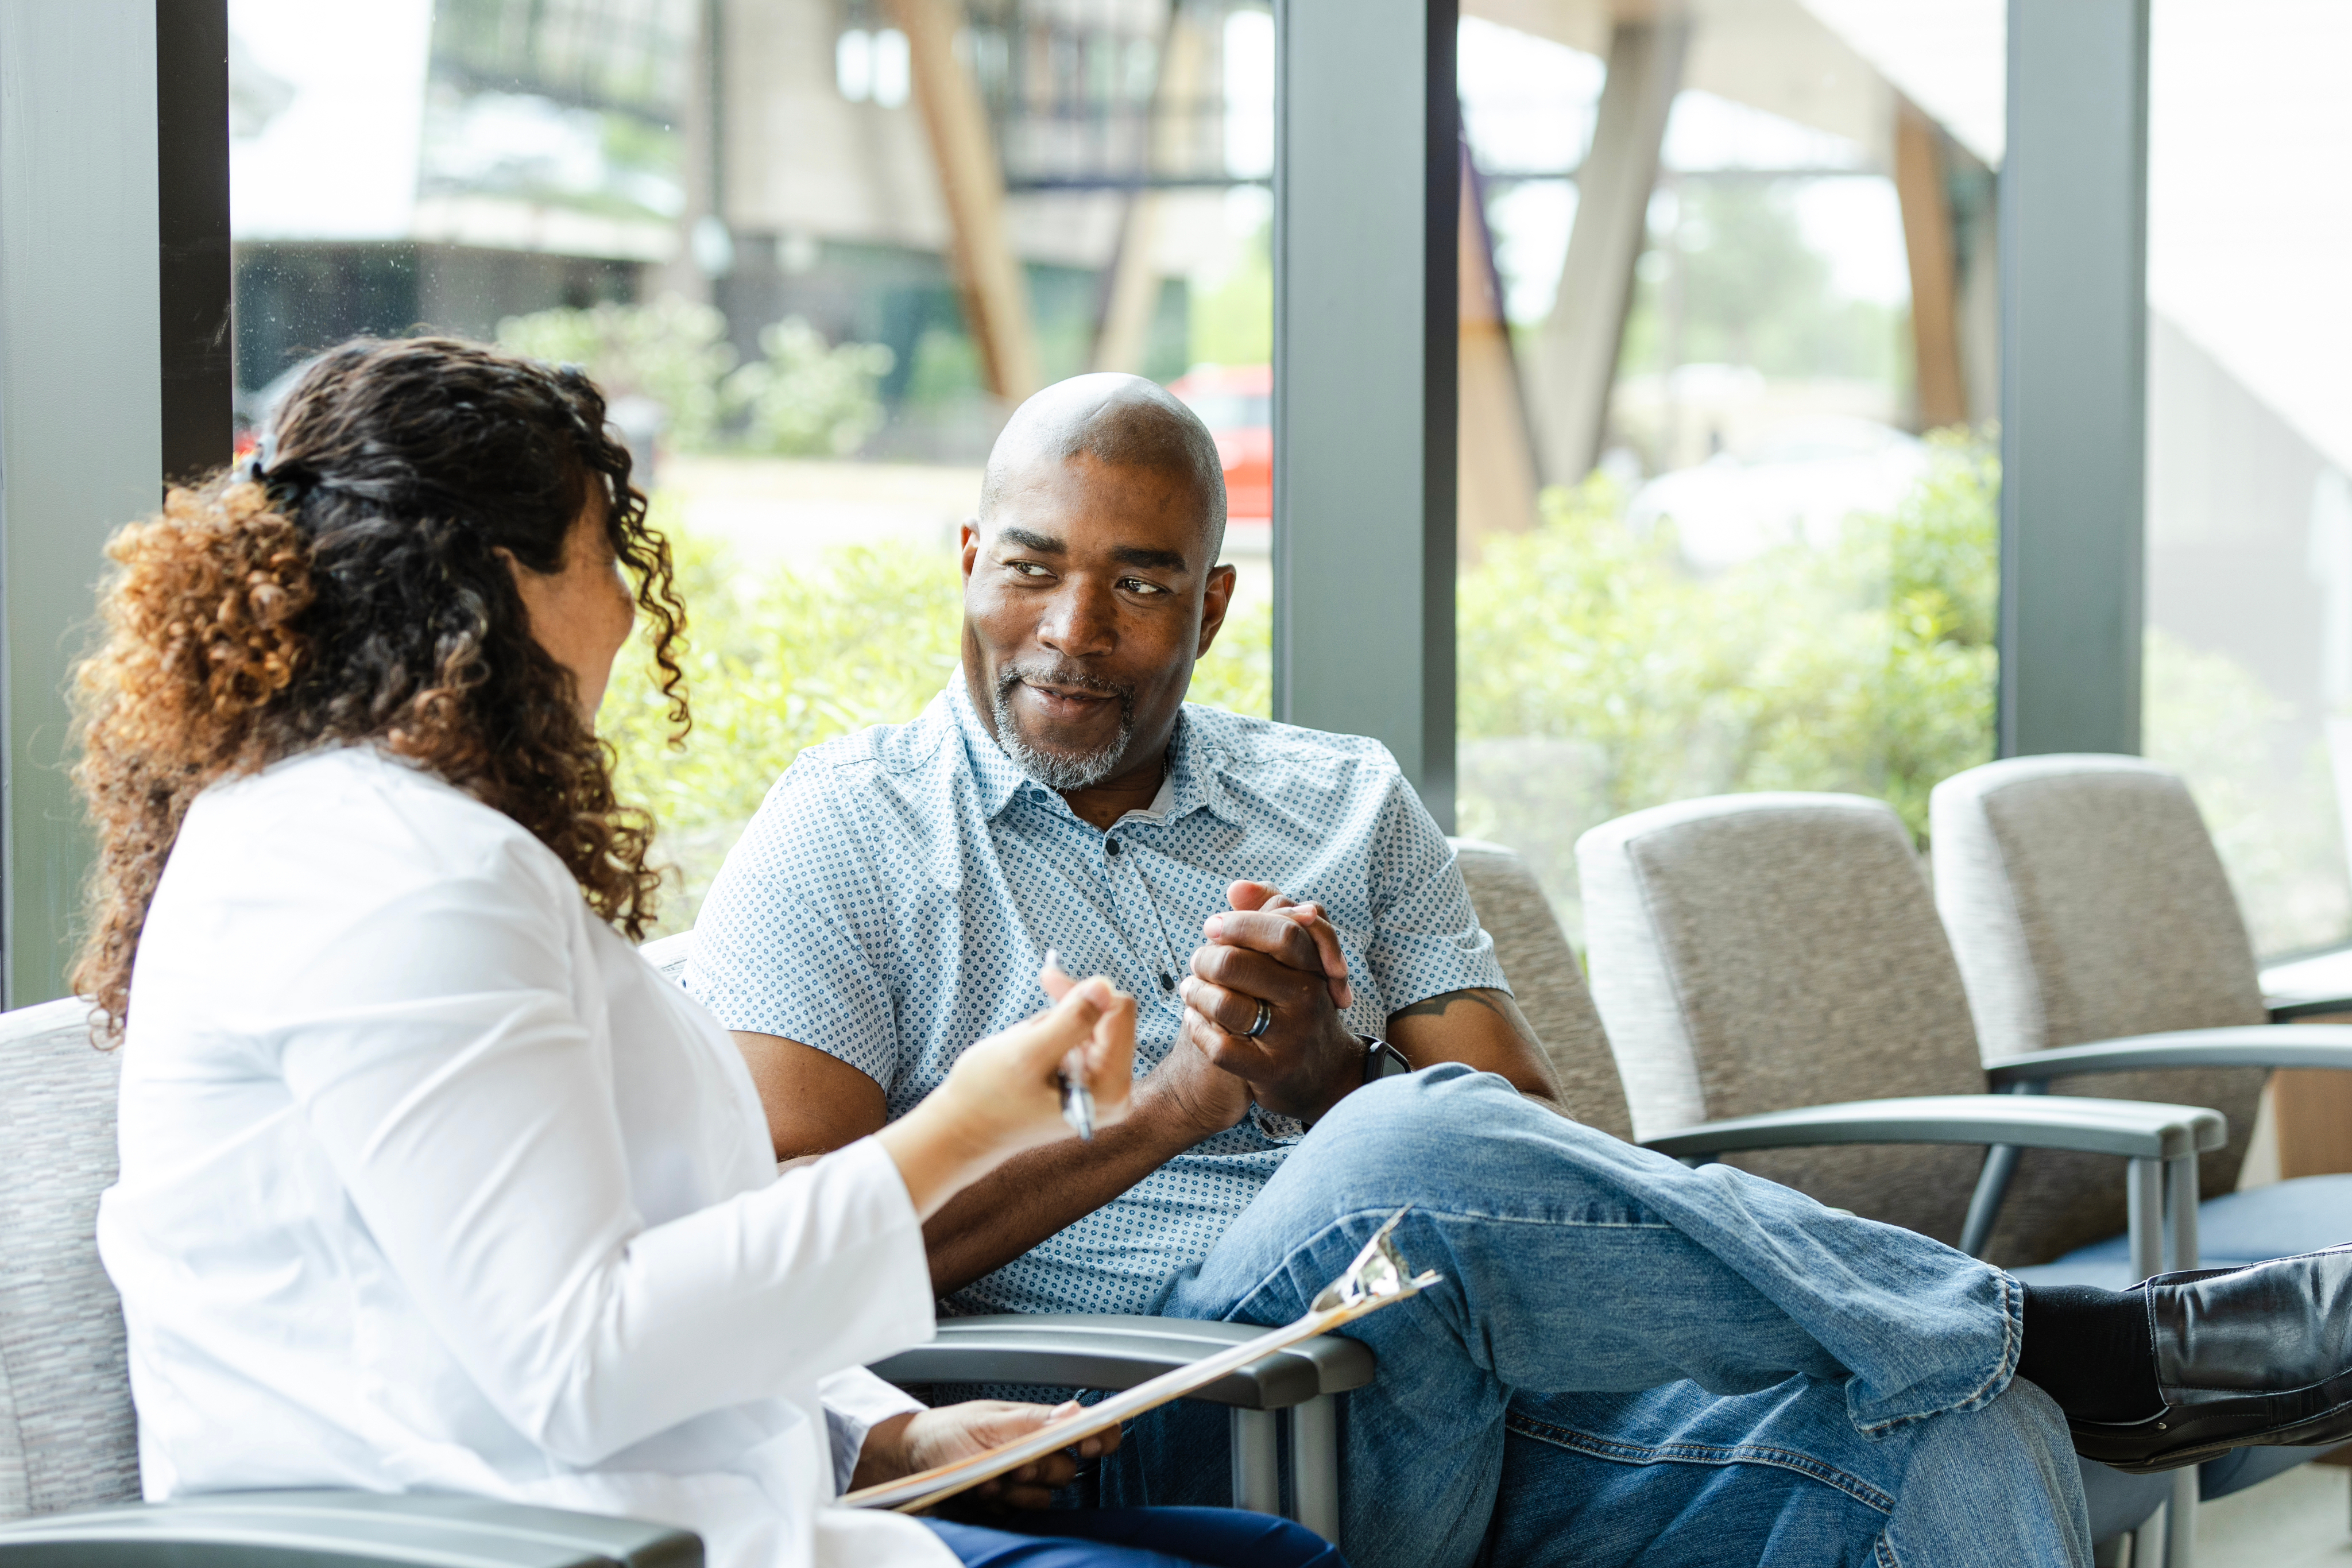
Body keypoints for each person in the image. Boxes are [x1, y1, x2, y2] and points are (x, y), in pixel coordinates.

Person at [687, 371, 2352, 1568]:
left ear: (1211, 608)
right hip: (1151, 1417)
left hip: (1459, 1403)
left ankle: (2028, 1368)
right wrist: (1173, 1113)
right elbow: (787, 1257)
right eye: (1032, 565)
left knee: (1966, 1437)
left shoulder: (1340, 798)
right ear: (967, 557)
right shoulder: (847, 836)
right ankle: (2069, 1335)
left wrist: (1323, 1070)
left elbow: (1530, 1145)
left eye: (1136, 585)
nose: (1071, 629)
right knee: (1406, 1146)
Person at [82, 339, 1349, 1568]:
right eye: (601, 554)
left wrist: (879, 1431)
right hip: (532, 1537)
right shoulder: (395, 883)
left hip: (673, 1509)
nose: (630, 610)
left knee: (1270, 1552)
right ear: (493, 582)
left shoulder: (376, 844)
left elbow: (615, 1272)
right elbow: (581, 1359)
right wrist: (969, 1125)